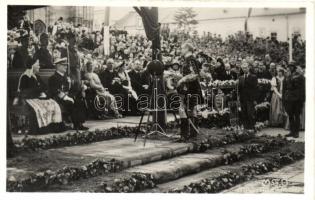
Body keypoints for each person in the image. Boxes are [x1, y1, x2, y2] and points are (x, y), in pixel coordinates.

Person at [48, 57, 88, 131]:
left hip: (68, 97)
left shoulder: (66, 77)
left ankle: (80, 124)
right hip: (59, 99)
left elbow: (72, 88)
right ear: (58, 66)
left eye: (66, 65)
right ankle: (76, 124)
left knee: (80, 101)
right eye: (64, 65)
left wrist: (81, 88)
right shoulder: (53, 78)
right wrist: (66, 97)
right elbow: (55, 91)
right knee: (72, 103)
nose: (66, 67)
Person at [177, 42, 203, 141]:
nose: (181, 50)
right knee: (186, 110)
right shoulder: (187, 59)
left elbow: (195, 74)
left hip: (191, 88)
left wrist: (182, 79)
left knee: (188, 110)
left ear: (187, 49)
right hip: (188, 88)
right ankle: (188, 134)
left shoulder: (191, 59)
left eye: (182, 48)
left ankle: (188, 135)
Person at [282, 63, 305, 138]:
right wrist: (283, 98)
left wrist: (302, 99)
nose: (290, 68)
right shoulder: (287, 76)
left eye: (291, 66)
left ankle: (296, 132)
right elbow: (284, 88)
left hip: (297, 99)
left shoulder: (300, 76)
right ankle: (292, 131)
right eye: (289, 67)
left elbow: (302, 89)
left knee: (297, 115)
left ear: (294, 67)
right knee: (290, 115)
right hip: (288, 98)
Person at [238, 62, 258, 132]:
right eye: (243, 68)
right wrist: (239, 98)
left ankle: (252, 127)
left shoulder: (253, 77)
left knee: (250, 113)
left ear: (248, 68)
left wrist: (255, 99)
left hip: (250, 98)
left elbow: (255, 89)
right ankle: (246, 128)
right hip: (243, 99)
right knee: (244, 113)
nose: (244, 69)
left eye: (245, 68)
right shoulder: (240, 78)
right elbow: (239, 89)